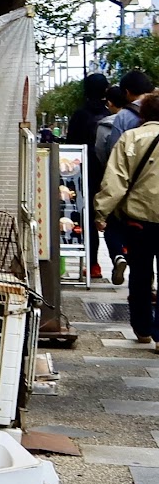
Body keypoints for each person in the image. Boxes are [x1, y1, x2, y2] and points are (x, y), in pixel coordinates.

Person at [96, 93, 159, 351]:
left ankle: (143, 329)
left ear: (143, 114)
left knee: (142, 273)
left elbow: (115, 182)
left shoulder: (130, 139)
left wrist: (101, 213)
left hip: (138, 219)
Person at [98, 71, 156, 287]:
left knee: (140, 267)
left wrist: (101, 211)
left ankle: (122, 259)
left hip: (135, 204)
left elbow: (115, 164)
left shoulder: (125, 123)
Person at [69, 72, 111, 279]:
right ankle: (119, 253)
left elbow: (69, 147)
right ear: (105, 91)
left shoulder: (79, 115)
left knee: (87, 218)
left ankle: (93, 264)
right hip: (108, 174)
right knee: (108, 216)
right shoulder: (111, 115)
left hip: (83, 175)